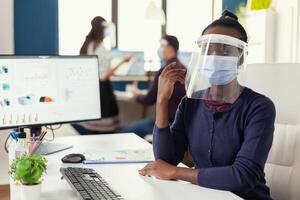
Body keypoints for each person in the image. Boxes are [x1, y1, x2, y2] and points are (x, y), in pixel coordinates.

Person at [139, 10, 275, 200]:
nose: (214, 56)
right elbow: (166, 160)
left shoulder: (259, 107)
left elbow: (244, 176)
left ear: (241, 57)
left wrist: (176, 173)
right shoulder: (190, 104)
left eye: (225, 50)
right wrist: (161, 102)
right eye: (207, 49)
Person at [73, 16, 131, 134]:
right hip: (102, 92)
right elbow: (103, 76)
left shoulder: (87, 45)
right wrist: (122, 62)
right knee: (108, 133)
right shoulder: (100, 48)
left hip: (90, 91)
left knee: (91, 132)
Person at [120, 35, 186, 138]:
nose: (160, 49)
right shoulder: (183, 68)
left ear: (170, 47)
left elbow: (148, 99)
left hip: (165, 122)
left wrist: (135, 96)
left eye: (162, 45)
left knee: (124, 130)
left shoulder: (166, 71)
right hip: (178, 121)